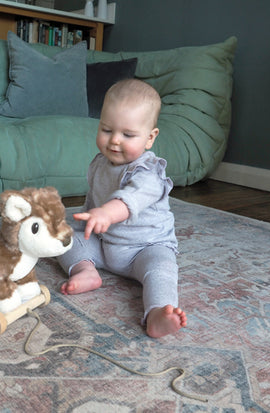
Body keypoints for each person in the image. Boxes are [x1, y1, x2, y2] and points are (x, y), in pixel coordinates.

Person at [58, 78, 186, 338]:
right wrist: (88, 223)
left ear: (150, 138)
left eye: (127, 135)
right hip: (105, 246)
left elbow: (131, 199)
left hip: (146, 248)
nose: (114, 141)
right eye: (106, 130)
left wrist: (107, 213)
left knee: (161, 270)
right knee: (62, 238)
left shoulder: (150, 172)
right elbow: (94, 200)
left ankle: (157, 312)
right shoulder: (99, 163)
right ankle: (86, 270)